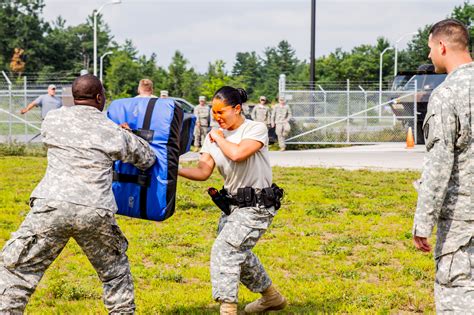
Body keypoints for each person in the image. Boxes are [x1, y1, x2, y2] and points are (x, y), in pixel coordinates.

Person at [0, 74, 156, 314]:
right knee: (115, 275)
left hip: (51, 206)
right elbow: (146, 159)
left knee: (17, 272)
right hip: (95, 210)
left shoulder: (52, 120)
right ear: (99, 97)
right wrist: (129, 134)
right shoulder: (111, 129)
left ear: (74, 97)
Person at [178, 86, 286, 315]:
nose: (216, 118)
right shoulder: (213, 137)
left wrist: (219, 138)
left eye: (221, 112)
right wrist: (174, 169)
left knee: (226, 250)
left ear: (237, 109)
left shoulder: (255, 128)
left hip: (257, 206)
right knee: (239, 254)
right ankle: (271, 298)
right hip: (232, 208)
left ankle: (228, 309)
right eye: (214, 113)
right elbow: (202, 171)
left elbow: (238, 153)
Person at [412, 19, 473, 313]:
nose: (428, 56)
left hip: (463, 222)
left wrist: (423, 222)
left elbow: (439, 163)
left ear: (442, 46)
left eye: (429, 49)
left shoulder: (447, 94)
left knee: (458, 294)